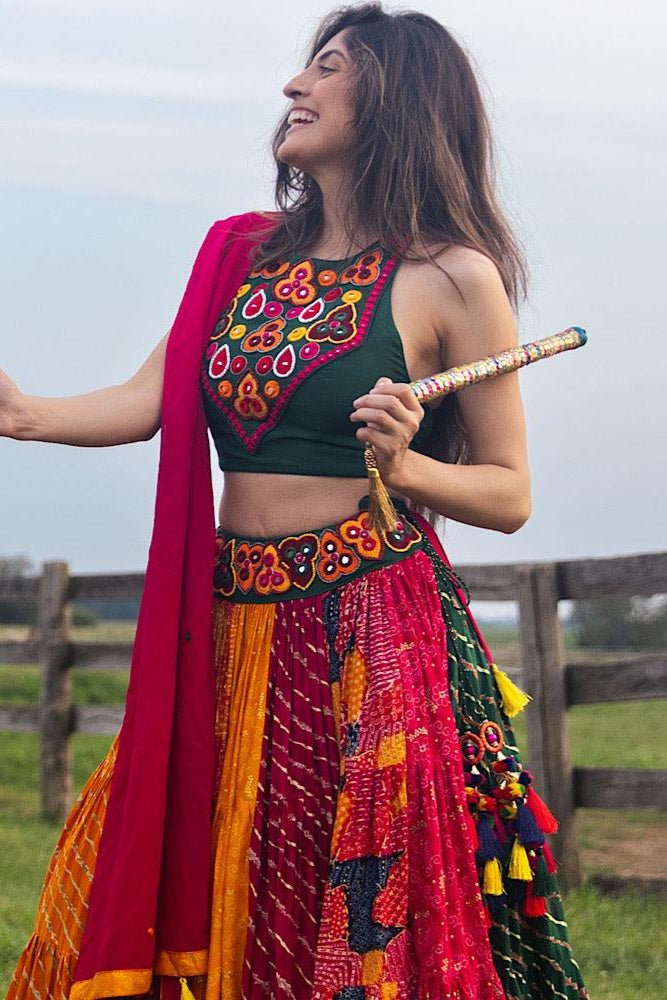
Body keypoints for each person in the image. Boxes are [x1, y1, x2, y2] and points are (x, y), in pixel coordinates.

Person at [3, 3, 590, 999]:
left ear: (397, 95)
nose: (293, 88)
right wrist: (23, 413)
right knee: (187, 852)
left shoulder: (451, 276)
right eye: (301, 68)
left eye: (326, 68)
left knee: (351, 902)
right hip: (226, 626)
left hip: (369, 630)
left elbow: (508, 491)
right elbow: (151, 400)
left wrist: (406, 469)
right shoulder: (241, 254)